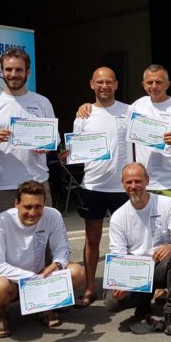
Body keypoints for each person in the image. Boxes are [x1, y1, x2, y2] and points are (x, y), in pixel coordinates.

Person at [0, 48, 57, 325]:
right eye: (8, 69)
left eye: (19, 69)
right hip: (1, 185)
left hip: (37, 182)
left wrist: (45, 146)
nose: (13, 74)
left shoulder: (41, 102)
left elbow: (53, 141)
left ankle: (44, 301)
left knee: (44, 244)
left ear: (27, 72)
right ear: (2, 71)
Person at [78, 64, 171, 224]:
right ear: (143, 84)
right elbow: (108, 113)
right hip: (143, 184)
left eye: (158, 82)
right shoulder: (135, 107)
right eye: (149, 82)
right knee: (145, 232)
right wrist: (87, 107)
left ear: (168, 84)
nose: (154, 86)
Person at [61, 66, 132, 309]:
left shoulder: (129, 111)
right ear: (92, 84)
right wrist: (66, 156)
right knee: (92, 239)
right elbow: (75, 151)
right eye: (100, 82)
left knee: (126, 239)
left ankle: (124, 285)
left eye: (109, 82)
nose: (104, 86)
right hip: (92, 186)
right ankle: (90, 287)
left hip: (123, 187)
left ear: (116, 85)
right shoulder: (83, 115)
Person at [0, 180, 86, 338]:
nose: (33, 212)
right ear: (16, 203)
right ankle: (0, 314)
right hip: (10, 281)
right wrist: (31, 278)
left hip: (39, 275)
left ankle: (44, 305)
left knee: (77, 272)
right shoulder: (1, 221)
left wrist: (57, 264)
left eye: (38, 206)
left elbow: (63, 249)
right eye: (27, 207)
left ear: (44, 204)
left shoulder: (53, 215)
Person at [106, 163, 171, 336]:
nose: (133, 186)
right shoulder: (118, 217)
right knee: (111, 303)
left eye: (138, 181)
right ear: (122, 184)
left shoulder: (166, 203)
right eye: (129, 182)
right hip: (136, 271)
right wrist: (121, 284)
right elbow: (118, 256)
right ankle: (143, 303)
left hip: (161, 265)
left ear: (147, 181)